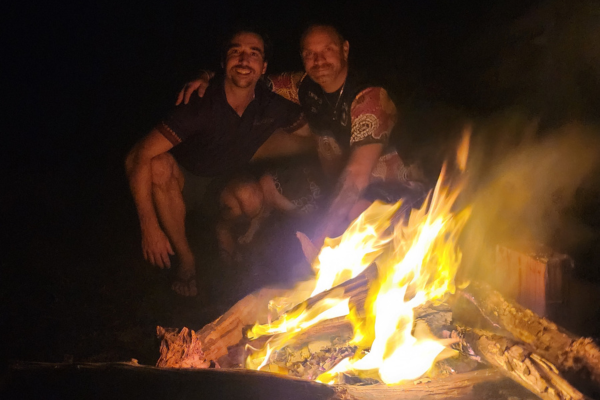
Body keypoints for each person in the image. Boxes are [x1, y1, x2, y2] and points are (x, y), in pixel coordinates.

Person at [180, 24, 427, 252]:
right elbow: (250, 77)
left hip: (396, 191)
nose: (319, 60)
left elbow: (355, 177)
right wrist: (207, 76)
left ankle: (388, 252)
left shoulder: (369, 97)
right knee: (268, 184)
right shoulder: (304, 86)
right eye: (310, 54)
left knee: (354, 209)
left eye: (327, 50)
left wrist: (322, 237)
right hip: (334, 183)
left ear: (345, 49)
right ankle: (261, 232)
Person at [125, 28, 313, 297]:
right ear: (224, 63)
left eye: (253, 54)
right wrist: (149, 226)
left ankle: (222, 227)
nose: (244, 59)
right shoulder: (199, 103)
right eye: (235, 52)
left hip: (221, 182)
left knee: (250, 197)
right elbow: (137, 156)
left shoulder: (271, 104)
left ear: (263, 67)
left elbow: (311, 133)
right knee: (158, 165)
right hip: (183, 181)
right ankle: (187, 260)